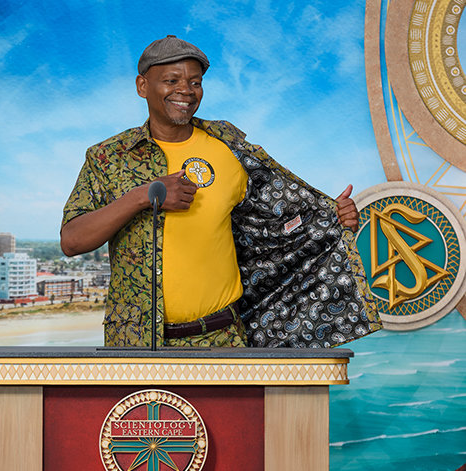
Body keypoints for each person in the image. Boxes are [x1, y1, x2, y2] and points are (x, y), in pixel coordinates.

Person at [61, 35, 382, 348]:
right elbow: (72, 241)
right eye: (171, 81)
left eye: (195, 82)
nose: (185, 90)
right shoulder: (108, 158)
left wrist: (330, 217)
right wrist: (143, 196)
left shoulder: (231, 152)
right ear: (142, 86)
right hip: (135, 342)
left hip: (221, 338)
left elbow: (275, 227)